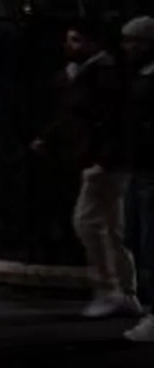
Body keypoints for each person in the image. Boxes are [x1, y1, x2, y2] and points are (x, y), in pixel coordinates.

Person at [34, 23, 136, 320]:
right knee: (110, 226)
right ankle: (124, 291)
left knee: (87, 222)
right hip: (96, 158)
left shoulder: (104, 75)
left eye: (76, 40)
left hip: (102, 161)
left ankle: (111, 289)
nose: (69, 45)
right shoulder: (81, 74)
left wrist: (102, 158)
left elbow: (111, 119)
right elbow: (70, 115)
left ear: (92, 44)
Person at [121, 15, 154, 344]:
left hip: (147, 169)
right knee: (135, 238)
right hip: (138, 167)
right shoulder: (137, 76)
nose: (127, 47)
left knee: (148, 242)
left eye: (132, 41)